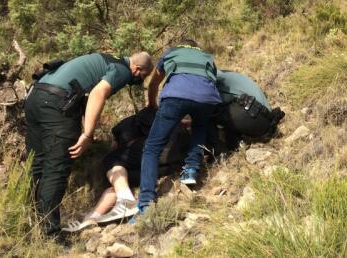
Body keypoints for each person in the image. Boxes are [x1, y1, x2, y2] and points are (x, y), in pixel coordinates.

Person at [24, 51, 153, 235]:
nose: (141, 79)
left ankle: (33, 222)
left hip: (35, 97)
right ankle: (50, 234)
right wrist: (87, 134)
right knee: (56, 168)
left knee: (38, 163)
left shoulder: (105, 58)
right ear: (137, 68)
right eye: (144, 76)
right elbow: (97, 93)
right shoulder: (123, 70)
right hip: (56, 104)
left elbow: (84, 96)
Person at [62, 108, 189, 232]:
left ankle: (126, 201)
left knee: (111, 159)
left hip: (165, 144)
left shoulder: (131, 124)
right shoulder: (125, 167)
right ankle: (91, 218)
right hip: (175, 161)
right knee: (120, 182)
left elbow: (128, 140)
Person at [137, 40, 222, 214]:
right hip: (208, 99)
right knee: (200, 127)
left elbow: (154, 83)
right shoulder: (207, 57)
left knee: (152, 147)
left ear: (182, 45)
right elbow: (211, 81)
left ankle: (146, 200)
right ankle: (191, 169)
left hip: (175, 97)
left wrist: (152, 104)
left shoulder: (171, 52)